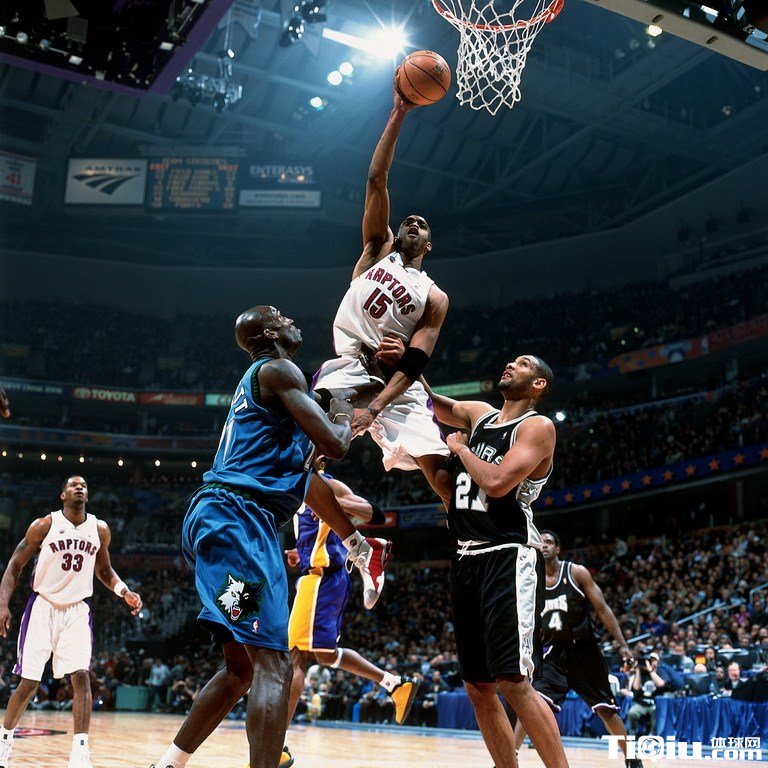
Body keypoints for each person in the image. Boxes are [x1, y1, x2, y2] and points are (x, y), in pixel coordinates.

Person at [151, 305, 374, 768]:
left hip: (221, 526)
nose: (291, 318)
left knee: (242, 668)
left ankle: (169, 764)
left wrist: (355, 543)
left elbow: (313, 487)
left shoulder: (278, 412)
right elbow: (336, 444)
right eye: (280, 316)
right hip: (238, 523)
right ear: (270, 333)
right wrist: (344, 407)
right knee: (275, 660)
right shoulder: (278, 370)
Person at [423, 355, 569, 768]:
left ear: (538, 384)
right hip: (465, 557)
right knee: (477, 686)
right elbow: (429, 401)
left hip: (507, 555)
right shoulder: (479, 414)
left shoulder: (537, 427)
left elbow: (497, 482)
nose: (510, 364)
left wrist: (459, 448)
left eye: (522, 364)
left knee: (513, 681)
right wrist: (404, 363)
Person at [311, 81, 451, 504]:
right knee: (307, 442)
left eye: (421, 224)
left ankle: (477, 531)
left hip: (396, 380)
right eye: (407, 220)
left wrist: (375, 409)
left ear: (428, 245)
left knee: (440, 468)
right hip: (351, 367)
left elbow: (415, 362)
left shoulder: (434, 296)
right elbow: (376, 179)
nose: (412, 223)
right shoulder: (376, 251)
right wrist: (399, 113)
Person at [0, 475, 142, 768]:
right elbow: (15, 565)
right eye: (73, 485)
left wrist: (124, 591)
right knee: (29, 683)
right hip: (42, 606)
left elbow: (105, 571)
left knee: (81, 677)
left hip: (77, 610)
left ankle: (79, 752)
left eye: (84, 486)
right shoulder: (44, 525)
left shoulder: (99, 529)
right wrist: (3, 604)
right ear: (63, 495)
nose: (79, 488)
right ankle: (4, 739)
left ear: (87, 495)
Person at [282, 456, 416, 764]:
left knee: (296, 657)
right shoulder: (299, 486)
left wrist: (337, 503)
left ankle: (277, 744)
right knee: (325, 655)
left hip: (322, 580)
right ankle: (394, 684)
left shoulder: (327, 486)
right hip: (320, 577)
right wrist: (300, 552)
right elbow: (320, 534)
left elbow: (375, 513)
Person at [513, 531, 643, 768]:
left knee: (606, 710)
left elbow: (603, 609)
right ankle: (509, 758)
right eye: (541, 542)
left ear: (558, 548)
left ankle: (632, 758)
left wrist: (623, 646)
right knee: (533, 704)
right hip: (554, 654)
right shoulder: (532, 580)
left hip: (584, 651)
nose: (544, 545)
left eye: (549, 542)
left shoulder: (576, 573)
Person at [627, 653, 667, 735]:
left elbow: (661, 684)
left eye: (653, 660)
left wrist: (650, 670)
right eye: (649, 660)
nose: (650, 662)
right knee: (632, 712)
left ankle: (653, 735)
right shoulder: (641, 674)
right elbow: (636, 688)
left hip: (655, 704)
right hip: (641, 703)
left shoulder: (660, 672)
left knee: (656, 712)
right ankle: (632, 734)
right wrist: (638, 670)